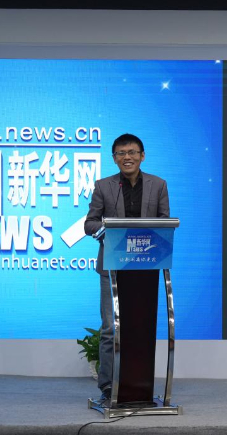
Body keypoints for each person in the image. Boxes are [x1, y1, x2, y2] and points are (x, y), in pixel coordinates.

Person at [84, 133, 170, 405]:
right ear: (114, 158)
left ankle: (139, 386)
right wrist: (107, 231)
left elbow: (165, 223)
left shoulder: (158, 185)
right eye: (121, 153)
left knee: (141, 328)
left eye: (132, 152)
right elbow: (89, 223)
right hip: (112, 267)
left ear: (142, 156)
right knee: (111, 328)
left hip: (145, 269)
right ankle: (108, 386)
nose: (127, 157)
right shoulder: (104, 186)